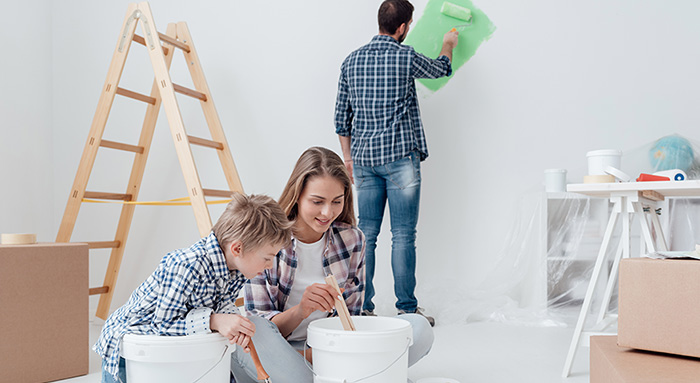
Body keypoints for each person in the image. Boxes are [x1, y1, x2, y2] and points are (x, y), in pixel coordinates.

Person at [231, 147, 433, 383]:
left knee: (418, 328)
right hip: (284, 349)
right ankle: (354, 374)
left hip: (335, 347)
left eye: (337, 201)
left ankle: (330, 373)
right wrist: (301, 311)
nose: (328, 212)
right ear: (297, 195)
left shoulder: (352, 240)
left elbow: (354, 318)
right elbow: (261, 325)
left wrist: (329, 352)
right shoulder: (265, 240)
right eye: (317, 201)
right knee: (252, 332)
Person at [334, 0, 459, 326]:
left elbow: (340, 120)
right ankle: (406, 309)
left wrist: (348, 158)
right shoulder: (405, 56)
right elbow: (440, 70)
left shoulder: (351, 61)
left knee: (367, 235)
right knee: (403, 236)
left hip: (362, 161)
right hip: (401, 160)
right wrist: (448, 45)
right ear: (402, 27)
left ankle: (363, 307)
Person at [94, 193, 293, 383]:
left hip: (170, 346)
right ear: (237, 249)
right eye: (267, 258)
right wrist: (214, 320)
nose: (269, 265)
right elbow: (163, 325)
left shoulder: (237, 270)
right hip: (130, 343)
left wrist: (233, 323)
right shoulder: (188, 266)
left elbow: (221, 304)